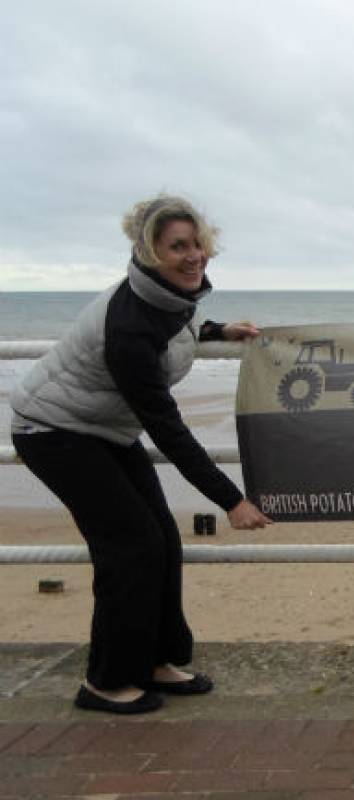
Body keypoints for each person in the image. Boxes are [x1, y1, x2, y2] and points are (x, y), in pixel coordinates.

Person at [10, 194, 272, 715]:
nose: (193, 255)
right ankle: (105, 683)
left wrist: (218, 331)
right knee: (130, 547)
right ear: (150, 251)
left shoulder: (166, 297)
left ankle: (157, 660)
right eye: (177, 246)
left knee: (162, 541)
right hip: (54, 431)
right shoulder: (129, 326)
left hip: (103, 430)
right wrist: (231, 500)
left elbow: (176, 327)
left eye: (197, 243)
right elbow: (168, 430)